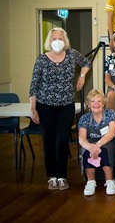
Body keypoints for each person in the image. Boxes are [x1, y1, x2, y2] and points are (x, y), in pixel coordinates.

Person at [29, 27, 91, 191]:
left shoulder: (71, 54)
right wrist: (33, 108)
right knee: (48, 140)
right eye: (54, 38)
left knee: (62, 140)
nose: (57, 41)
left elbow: (86, 62)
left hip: (66, 105)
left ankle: (62, 176)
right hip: (45, 105)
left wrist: (82, 76)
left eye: (60, 39)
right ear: (49, 41)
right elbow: (34, 85)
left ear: (65, 41)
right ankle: (52, 176)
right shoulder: (42, 59)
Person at [78, 89, 115, 196]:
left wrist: (98, 145)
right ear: (88, 104)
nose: (96, 104)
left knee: (105, 151)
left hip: (108, 142)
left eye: (99, 101)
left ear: (104, 104)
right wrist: (90, 147)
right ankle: (90, 182)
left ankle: (110, 181)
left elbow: (112, 132)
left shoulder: (111, 114)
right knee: (86, 152)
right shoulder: (84, 118)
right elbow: (81, 138)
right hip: (90, 143)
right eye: (93, 101)